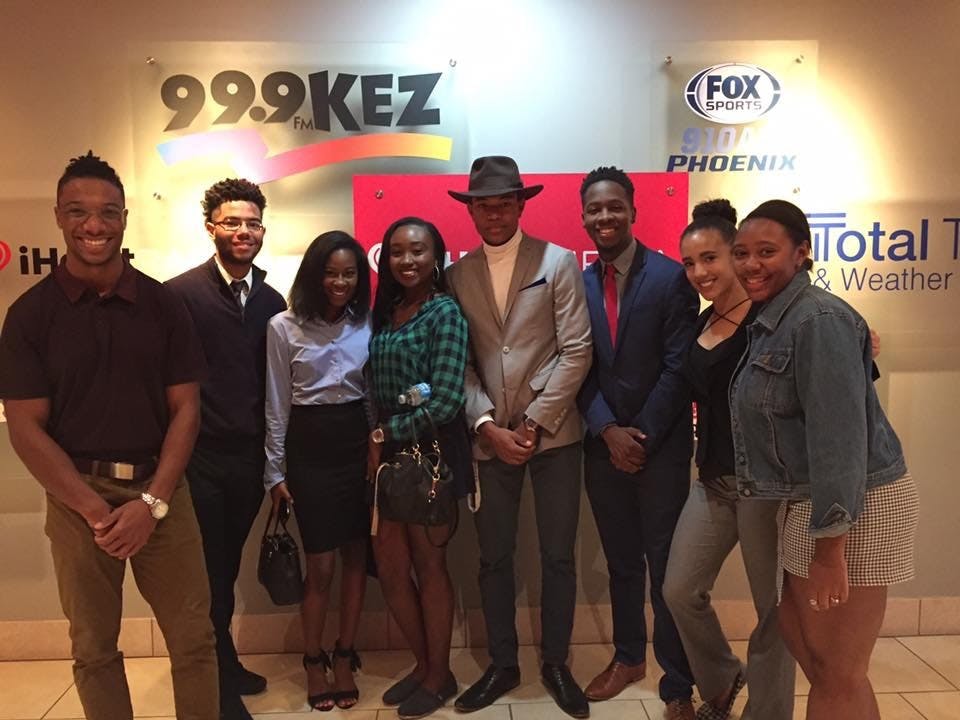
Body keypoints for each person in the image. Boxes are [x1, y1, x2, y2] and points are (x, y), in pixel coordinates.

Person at [0, 152, 218, 720]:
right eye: (78, 212)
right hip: (78, 502)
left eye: (107, 213)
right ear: (57, 216)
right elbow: (25, 428)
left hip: (161, 492)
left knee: (195, 641)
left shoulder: (163, 304)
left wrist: (152, 501)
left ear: (124, 219)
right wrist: (96, 511)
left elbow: (187, 410)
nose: (93, 225)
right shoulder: (29, 315)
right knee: (94, 650)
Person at [729, 199, 918, 720]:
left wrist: (831, 550)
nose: (750, 264)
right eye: (741, 253)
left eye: (766, 251)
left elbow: (839, 442)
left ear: (802, 253)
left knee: (836, 673)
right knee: (824, 665)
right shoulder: (776, 318)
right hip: (811, 503)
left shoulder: (818, 321)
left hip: (854, 507)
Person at [446, 156, 594, 719]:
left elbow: (576, 349)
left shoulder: (556, 263)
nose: (494, 213)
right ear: (473, 210)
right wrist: (485, 424)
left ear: (520, 204)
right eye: (484, 204)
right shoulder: (458, 275)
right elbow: (457, 363)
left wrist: (532, 423)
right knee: (493, 559)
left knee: (558, 557)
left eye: (504, 202)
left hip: (553, 437)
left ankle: (556, 663)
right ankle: (503, 664)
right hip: (489, 441)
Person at [662, 199, 795, 720]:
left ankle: (767, 712)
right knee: (680, 591)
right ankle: (720, 678)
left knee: (774, 614)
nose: (700, 273)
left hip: (765, 487)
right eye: (690, 264)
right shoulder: (703, 320)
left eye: (711, 259)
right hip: (712, 481)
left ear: (736, 256)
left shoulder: (775, 319)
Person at [575, 166, 699, 720]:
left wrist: (638, 436)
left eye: (614, 208)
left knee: (666, 568)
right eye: (594, 210)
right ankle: (628, 658)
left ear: (633, 211)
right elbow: (575, 367)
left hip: (660, 448)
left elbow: (679, 368)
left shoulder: (672, 278)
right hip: (602, 447)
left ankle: (678, 683)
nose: (604, 217)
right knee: (623, 563)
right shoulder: (577, 285)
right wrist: (606, 430)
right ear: (584, 217)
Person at [166, 178, 286, 719]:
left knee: (227, 565)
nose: (244, 231)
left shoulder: (272, 300)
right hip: (199, 459)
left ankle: (226, 662)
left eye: (253, 222)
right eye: (232, 221)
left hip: (250, 459)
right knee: (206, 573)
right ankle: (212, 683)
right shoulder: (179, 294)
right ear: (211, 226)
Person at [367, 216, 472, 719]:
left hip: (429, 456)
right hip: (385, 454)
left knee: (429, 567)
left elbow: (447, 394)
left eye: (418, 251)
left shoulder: (444, 313)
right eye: (397, 252)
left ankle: (437, 676)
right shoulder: (388, 311)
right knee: (389, 568)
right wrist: (381, 427)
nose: (407, 261)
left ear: (437, 257)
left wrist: (391, 427)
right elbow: (394, 384)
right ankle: (426, 663)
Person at [263, 231, 372, 711]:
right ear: (314, 274)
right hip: (309, 449)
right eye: (331, 272)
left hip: (357, 444)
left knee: (355, 559)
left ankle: (345, 654)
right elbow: (276, 403)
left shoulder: (368, 323)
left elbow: (371, 397)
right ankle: (313, 659)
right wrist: (274, 472)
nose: (340, 282)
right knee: (321, 565)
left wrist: (375, 452)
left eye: (349, 273)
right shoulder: (282, 327)